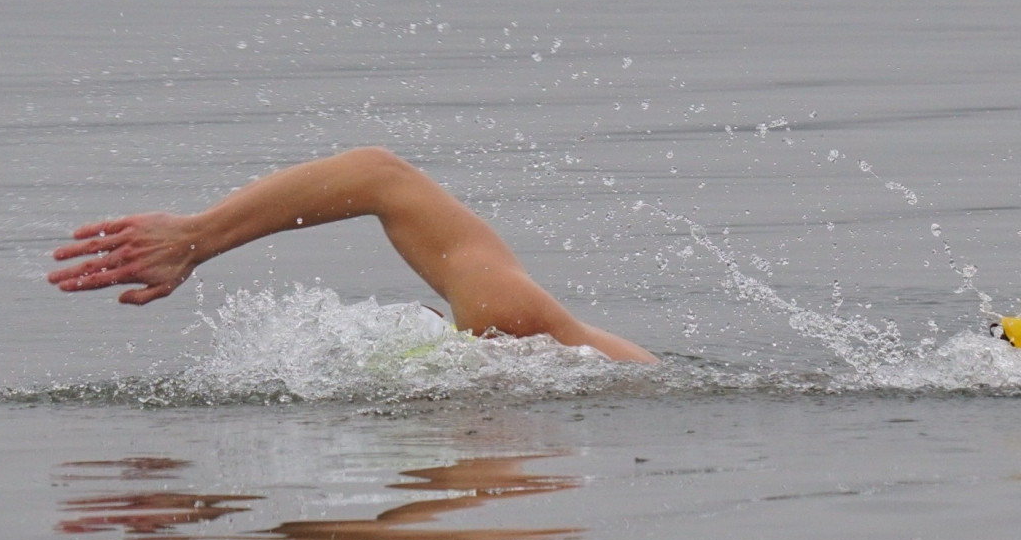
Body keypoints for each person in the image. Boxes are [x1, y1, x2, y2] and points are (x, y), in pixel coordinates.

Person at [47, 147, 658, 363]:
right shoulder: (517, 326)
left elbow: (378, 175)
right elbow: (379, 176)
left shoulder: (522, 332)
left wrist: (197, 238)